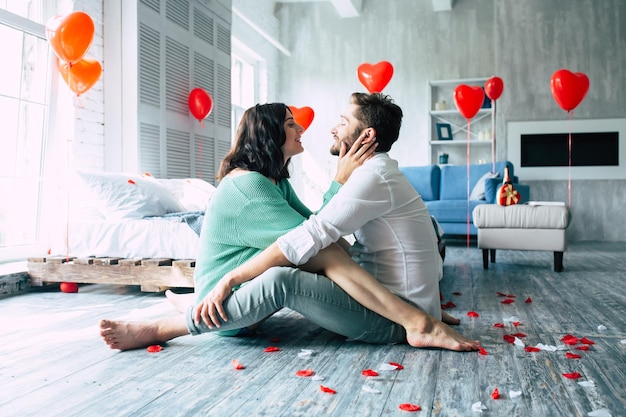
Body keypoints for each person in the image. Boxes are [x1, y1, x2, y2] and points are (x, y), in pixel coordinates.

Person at [100, 102, 480, 352]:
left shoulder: (273, 181)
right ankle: (161, 329)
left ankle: (412, 315)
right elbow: (313, 241)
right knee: (320, 254)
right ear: (270, 134)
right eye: (290, 123)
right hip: (223, 306)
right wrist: (338, 182)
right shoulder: (249, 186)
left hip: (243, 289)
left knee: (328, 249)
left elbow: (313, 230)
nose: (302, 128)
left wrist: (410, 296)